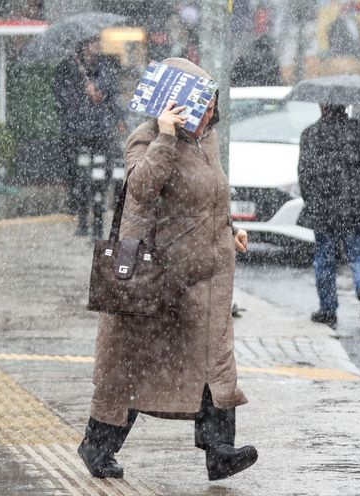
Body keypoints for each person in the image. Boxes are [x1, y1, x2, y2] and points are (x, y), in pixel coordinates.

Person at [77, 58, 258, 481]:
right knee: (135, 367)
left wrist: (230, 231)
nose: (209, 115)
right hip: (164, 283)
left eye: (212, 106)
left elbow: (209, 200)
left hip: (207, 281)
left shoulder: (207, 142)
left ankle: (220, 451)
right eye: (202, 107)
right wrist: (164, 135)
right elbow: (140, 188)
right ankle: (97, 444)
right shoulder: (146, 140)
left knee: (214, 363)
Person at [297, 104, 360, 329]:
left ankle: (328, 309)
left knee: (325, 260)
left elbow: (304, 174)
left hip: (326, 208)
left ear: (321, 106)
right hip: (358, 207)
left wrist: (312, 201)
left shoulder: (311, 134)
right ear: (346, 106)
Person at [54, 36, 125, 236]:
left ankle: (98, 226)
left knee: (99, 178)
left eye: (98, 43)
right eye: (92, 43)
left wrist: (117, 117)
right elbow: (64, 100)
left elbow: (112, 97)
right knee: (81, 178)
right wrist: (81, 98)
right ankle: (83, 222)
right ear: (83, 46)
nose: (96, 48)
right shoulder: (71, 71)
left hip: (101, 133)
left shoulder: (106, 69)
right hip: (79, 133)